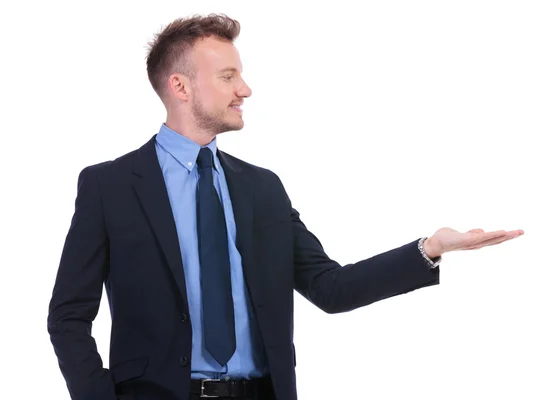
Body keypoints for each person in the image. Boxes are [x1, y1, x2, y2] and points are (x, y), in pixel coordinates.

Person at [47, 13, 524, 400]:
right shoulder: (109, 186)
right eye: (228, 75)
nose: (245, 89)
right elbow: (68, 315)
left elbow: (329, 287)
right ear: (181, 86)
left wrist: (429, 248)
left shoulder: (261, 188)